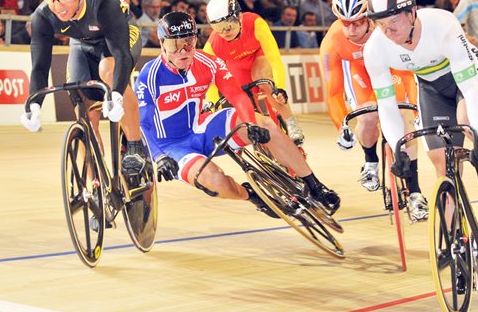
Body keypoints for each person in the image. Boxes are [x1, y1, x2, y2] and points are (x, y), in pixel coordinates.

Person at [135, 11, 340, 215]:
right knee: (216, 181)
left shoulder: (208, 62)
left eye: (188, 42)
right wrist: (159, 156)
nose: (183, 52)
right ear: (162, 44)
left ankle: (315, 186)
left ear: (196, 39)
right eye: (174, 45)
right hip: (171, 146)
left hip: (201, 127)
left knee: (265, 124)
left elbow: (236, 94)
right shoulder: (150, 76)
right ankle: (251, 194)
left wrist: (250, 124)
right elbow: (142, 124)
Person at [363, 0, 478, 214]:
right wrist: (397, 150)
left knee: (469, 124)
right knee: (443, 162)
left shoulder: (442, 23)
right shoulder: (375, 48)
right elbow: (387, 106)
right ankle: (455, 237)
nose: (387, 31)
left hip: (466, 75)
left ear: (412, 12)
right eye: (380, 24)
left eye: (393, 21)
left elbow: (469, 88)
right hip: (430, 86)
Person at [20, 0, 147, 176]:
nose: (58, 7)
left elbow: (121, 54)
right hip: (82, 44)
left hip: (120, 36)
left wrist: (116, 94)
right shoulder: (42, 16)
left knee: (108, 69)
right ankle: (97, 183)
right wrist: (34, 104)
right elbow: (40, 66)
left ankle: (135, 147)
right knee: (83, 111)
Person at [321, 0, 423, 213]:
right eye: (345, 23)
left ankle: (415, 190)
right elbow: (334, 92)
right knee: (367, 116)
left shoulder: (386, 29)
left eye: (357, 22)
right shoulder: (333, 41)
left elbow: (408, 74)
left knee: (404, 119)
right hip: (359, 71)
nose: (352, 29)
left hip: (392, 67)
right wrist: (342, 127)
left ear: (369, 17)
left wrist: (415, 109)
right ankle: (370, 161)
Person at [203, 0, 305, 143]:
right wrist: (212, 104)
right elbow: (210, 81)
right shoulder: (212, 45)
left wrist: (280, 88)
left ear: (239, 16)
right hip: (236, 64)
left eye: (229, 23)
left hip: (258, 55)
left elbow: (275, 60)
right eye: (218, 27)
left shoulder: (256, 23)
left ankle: (290, 122)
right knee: (240, 94)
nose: (225, 31)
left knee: (263, 81)